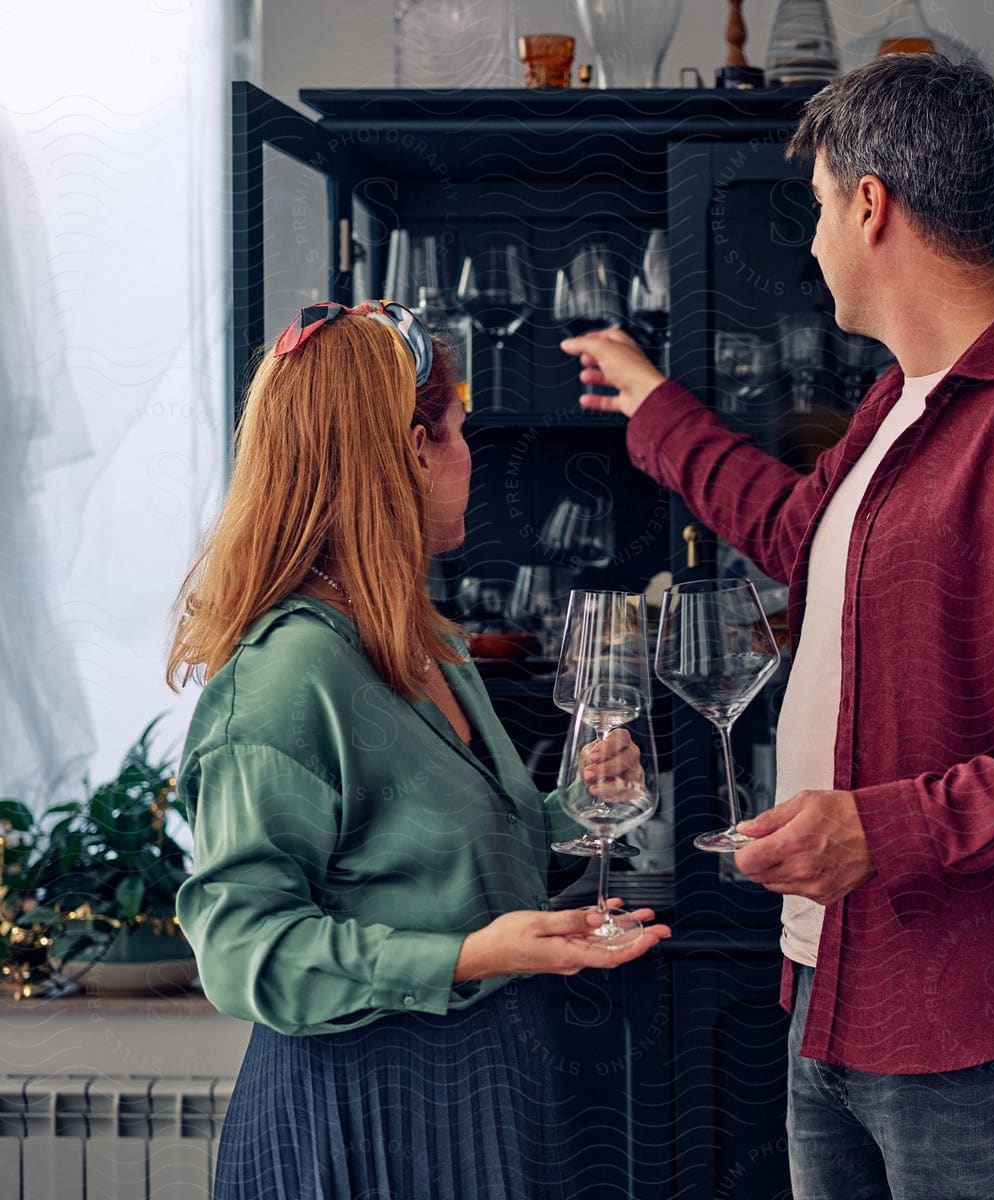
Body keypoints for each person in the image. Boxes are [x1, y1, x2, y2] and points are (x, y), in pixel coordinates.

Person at [561, 54, 994, 1199]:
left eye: (818, 206)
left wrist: (884, 832)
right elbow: (788, 528)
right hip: (831, 990)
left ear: (873, 205)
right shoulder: (895, 404)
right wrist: (655, 407)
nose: (812, 242)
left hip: (982, 1030)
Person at [167, 300, 669, 1200]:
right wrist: (473, 955)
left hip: (485, 1078)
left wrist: (580, 805)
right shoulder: (288, 675)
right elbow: (246, 953)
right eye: (459, 433)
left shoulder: (419, 639)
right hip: (360, 1111)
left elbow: (444, 858)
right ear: (409, 449)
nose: (472, 458)